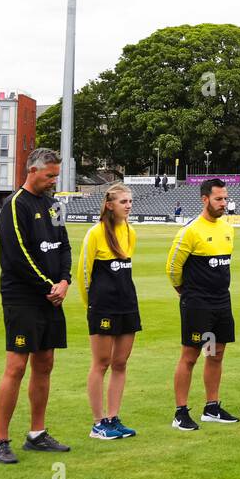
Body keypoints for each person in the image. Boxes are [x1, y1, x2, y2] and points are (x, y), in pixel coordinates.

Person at [0, 148, 73, 464]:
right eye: (49, 175)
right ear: (32, 171)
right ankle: (1, 440)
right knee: (16, 366)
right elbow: (18, 255)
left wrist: (65, 281)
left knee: (45, 363)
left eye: (56, 175)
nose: (54, 181)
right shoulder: (14, 205)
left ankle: (36, 434)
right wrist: (48, 286)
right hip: (23, 297)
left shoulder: (55, 206)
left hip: (52, 296)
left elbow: (64, 244)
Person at [167, 179, 239, 429]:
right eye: (219, 199)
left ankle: (212, 408)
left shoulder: (228, 228)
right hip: (198, 303)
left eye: (225, 199)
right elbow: (173, 267)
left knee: (216, 353)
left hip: (221, 301)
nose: (223, 203)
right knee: (190, 356)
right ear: (204, 199)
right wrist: (185, 293)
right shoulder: (191, 230)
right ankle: (180, 413)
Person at [78, 183, 140, 440]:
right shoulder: (95, 234)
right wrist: (89, 307)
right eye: (123, 201)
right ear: (109, 204)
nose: (128, 205)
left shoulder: (130, 232)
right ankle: (98, 423)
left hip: (127, 304)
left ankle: (113, 418)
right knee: (101, 363)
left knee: (121, 363)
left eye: (129, 201)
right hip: (102, 306)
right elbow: (84, 273)